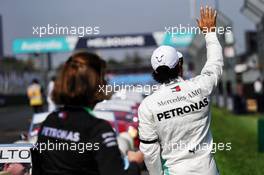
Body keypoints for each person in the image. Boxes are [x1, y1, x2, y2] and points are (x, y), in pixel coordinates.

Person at [138, 6, 222, 175]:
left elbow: (150, 152)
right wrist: (210, 33)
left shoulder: (148, 106)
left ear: (155, 73)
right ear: (180, 67)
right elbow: (215, 64)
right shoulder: (200, 87)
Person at [31, 52, 143, 175]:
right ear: (94, 84)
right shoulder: (98, 130)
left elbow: (38, 169)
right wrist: (135, 164)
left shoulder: (49, 122)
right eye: (102, 78)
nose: (105, 83)